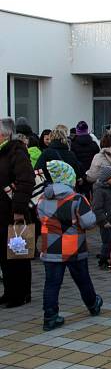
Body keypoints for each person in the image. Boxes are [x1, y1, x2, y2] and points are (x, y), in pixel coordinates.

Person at [37, 161, 102, 330]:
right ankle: (92, 304)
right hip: (74, 247)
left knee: (51, 283)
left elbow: (40, 218)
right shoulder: (77, 199)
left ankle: (50, 316)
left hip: (50, 247)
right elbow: (89, 222)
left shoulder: (43, 198)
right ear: (69, 178)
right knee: (82, 279)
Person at [0, 118, 35, 307]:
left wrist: (19, 210)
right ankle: (9, 292)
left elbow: (26, 181)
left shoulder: (16, 151)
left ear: (4, 135)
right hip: (2, 213)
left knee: (18, 255)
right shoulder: (3, 152)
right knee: (4, 256)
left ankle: (20, 294)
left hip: (14, 213)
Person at [92, 166, 111, 270]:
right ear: (107, 178)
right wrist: (103, 220)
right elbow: (97, 208)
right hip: (106, 221)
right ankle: (103, 260)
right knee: (107, 241)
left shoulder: (110, 188)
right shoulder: (100, 191)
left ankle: (109, 259)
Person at [71, 121, 100, 187]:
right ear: (87, 130)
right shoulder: (94, 144)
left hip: (79, 175)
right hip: (91, 174)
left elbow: (73, 161)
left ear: (77, 131)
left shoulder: (73, 145)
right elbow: (97, 159)